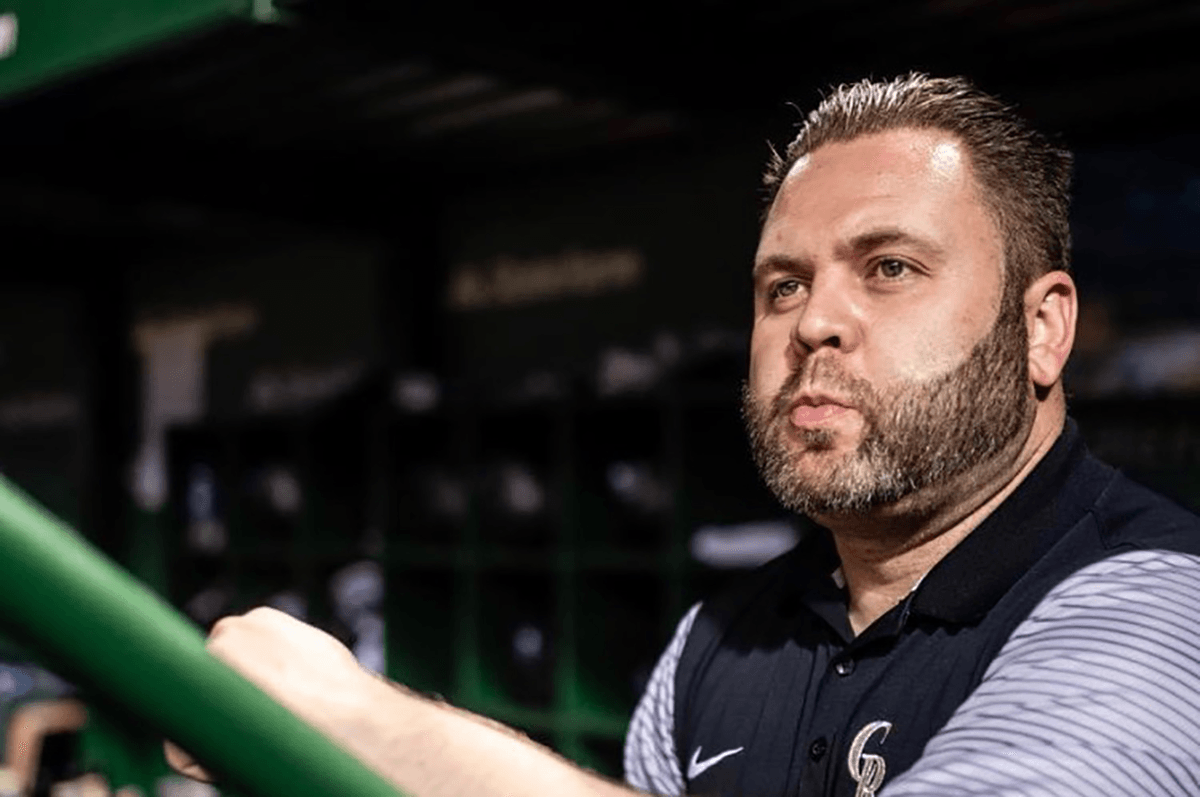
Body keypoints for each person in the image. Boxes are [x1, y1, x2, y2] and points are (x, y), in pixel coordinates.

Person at [168, 74, 1200, 797]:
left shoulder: (1156, 600)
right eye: (782, 285)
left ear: (1042, 327)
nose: (812, 322)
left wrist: (365, 726)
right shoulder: (716, 643)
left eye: (889, 266)